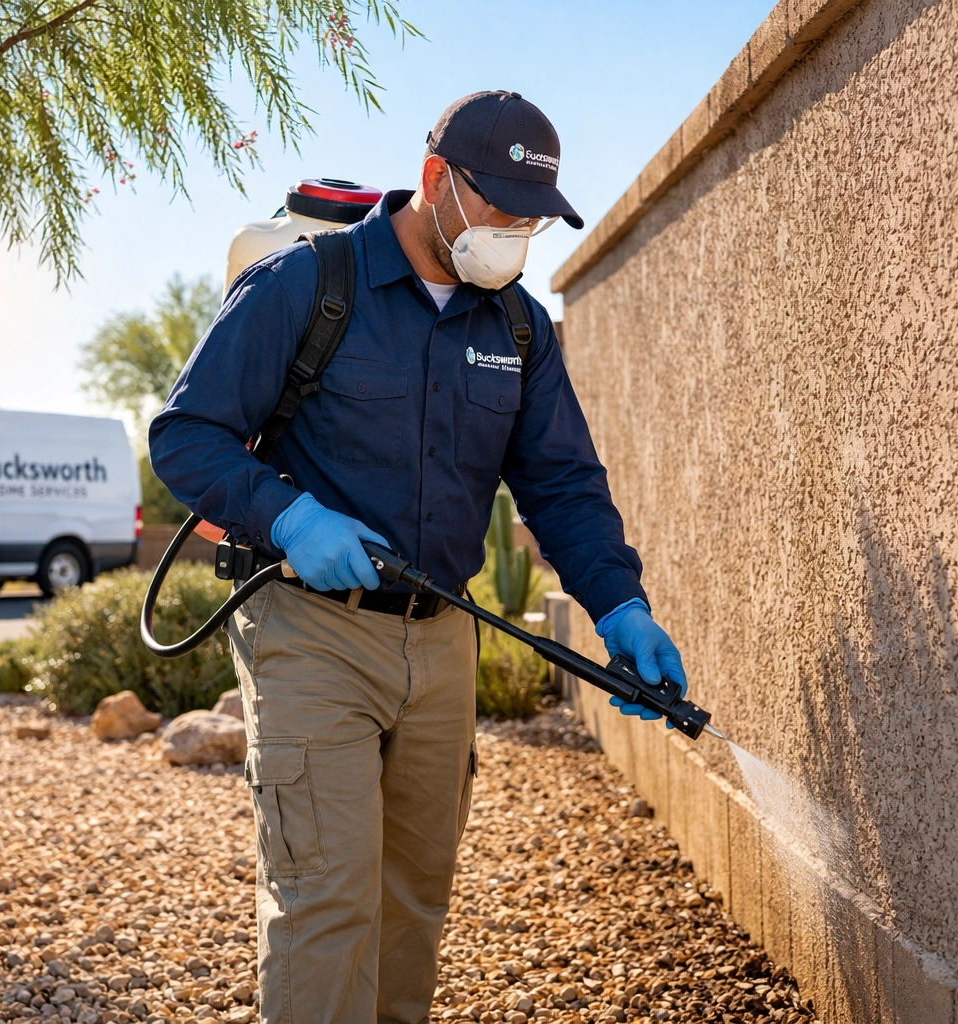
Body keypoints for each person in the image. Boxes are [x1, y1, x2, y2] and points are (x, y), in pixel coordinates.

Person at [149, 90, 688, 1024]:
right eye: (501, 207)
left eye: (533, 217)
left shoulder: (518, 329)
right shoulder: (306, 287)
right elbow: (186, 438)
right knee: (327, 903)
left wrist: (620, 608)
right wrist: (292, 518)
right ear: (437, 181)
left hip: (441, 650)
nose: (517, 232)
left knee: (411, 905)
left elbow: (561, 486)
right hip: (310, 636)